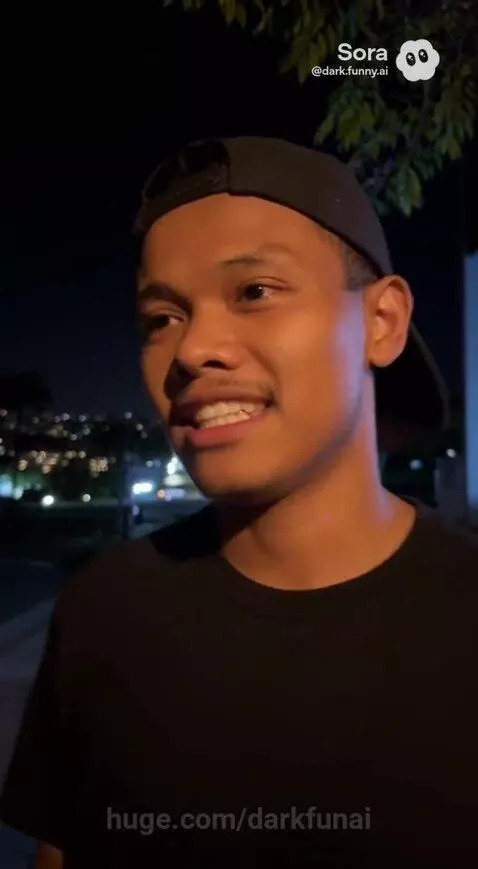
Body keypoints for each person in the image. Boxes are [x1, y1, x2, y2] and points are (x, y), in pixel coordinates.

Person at [1, 137, 477, 868]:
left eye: (254, 291)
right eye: (161, 317)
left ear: (381, 322)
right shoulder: (104, 613)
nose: (192, 350)